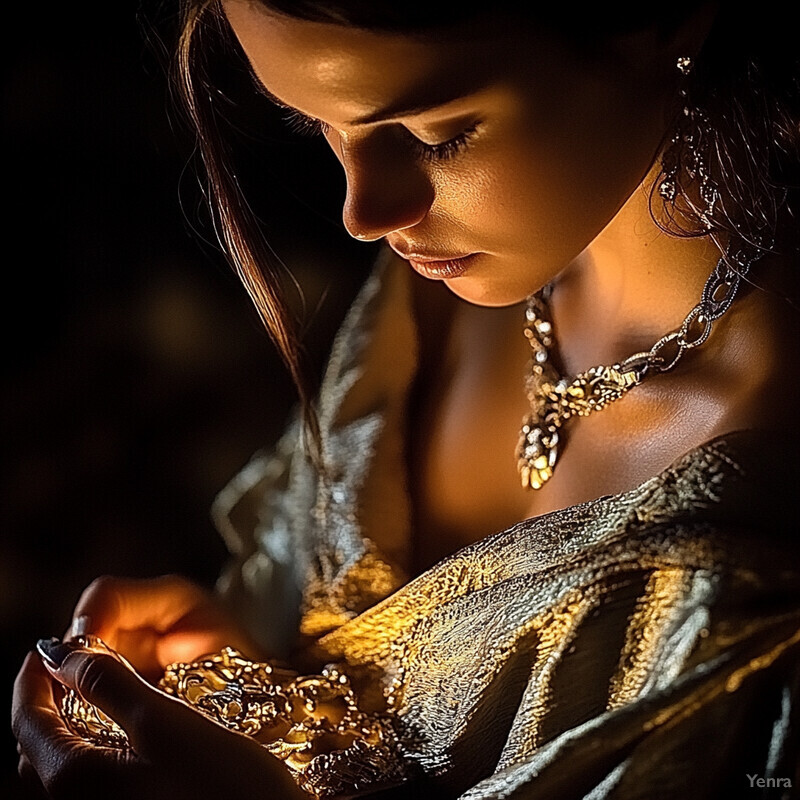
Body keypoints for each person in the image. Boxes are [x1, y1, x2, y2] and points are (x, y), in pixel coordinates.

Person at [12, 0, 800, 797]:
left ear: (670, 19)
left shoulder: (763, 555)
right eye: (314, 123)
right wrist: (262, 684)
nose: (364, 213)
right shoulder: (439, 295)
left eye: (437, 135)